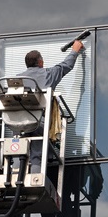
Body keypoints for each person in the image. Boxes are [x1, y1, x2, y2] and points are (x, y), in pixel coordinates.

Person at [17, 40, 84, 173]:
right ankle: (35, 177)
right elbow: (66, 65)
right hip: (37, 121)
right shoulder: (48, 74)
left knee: (17, 151)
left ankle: (15, 174)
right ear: (40, 62)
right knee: (36, 153)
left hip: (17, 122)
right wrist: (75, 50)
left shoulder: (16, 79)